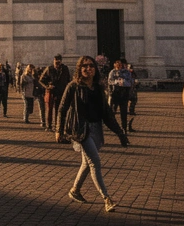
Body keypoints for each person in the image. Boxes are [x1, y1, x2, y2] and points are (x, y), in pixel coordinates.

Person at [57, 55, 127, 212]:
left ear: (95, 69)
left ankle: (75, 190)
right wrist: (59, 130)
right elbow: (62, 109)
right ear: (79, 69)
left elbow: (107, 113)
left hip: (96, 128)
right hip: (81, 129)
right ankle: (106, 198)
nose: (88, 68)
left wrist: (119, 132)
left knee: (86, 163)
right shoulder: (73, 86)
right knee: (95, 161)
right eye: (84, 66)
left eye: (91, 66)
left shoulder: (98, 88)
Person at [39, 55, 71, 132]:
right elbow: (41, 80)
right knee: (49, 109)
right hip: (51, 91)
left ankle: (58, 125)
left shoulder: (65, 69)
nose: (57, 63)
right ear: (53, 60)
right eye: (56, 61)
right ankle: (48, 125)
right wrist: (47, 86)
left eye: (59, 61)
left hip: (61, 91)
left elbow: (68, 79)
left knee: (59, 109)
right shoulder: (49, 69)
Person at [107, 60, 134, 134]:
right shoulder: (112, 72)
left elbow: (130, 82)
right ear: (115, 65)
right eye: (117, 65)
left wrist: (123, 82)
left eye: (120, 65)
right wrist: (116, 82)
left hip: (124, 94)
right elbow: (109, 81)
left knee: (124, 112)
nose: (118, 66)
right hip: (115, 94)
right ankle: (113, 127)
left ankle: (124, 128)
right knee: (113, 112)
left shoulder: (127, 72)